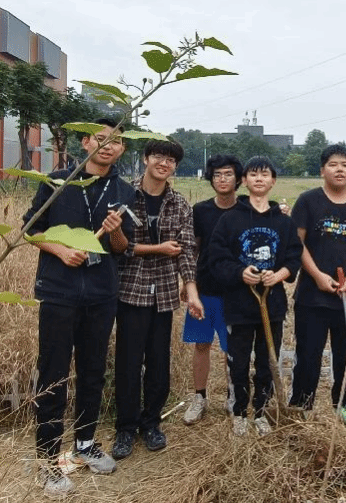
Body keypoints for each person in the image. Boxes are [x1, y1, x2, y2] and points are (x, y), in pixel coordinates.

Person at [22, 118, 135, 497]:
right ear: (85, 142)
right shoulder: (57, 181)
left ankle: (85, 444)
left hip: (102, 294)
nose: (108, 146)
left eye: (115, 141)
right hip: (58, 291)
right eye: (100, 139)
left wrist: (115, 230)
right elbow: (30, 229)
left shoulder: (124, 190)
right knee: (53, 373)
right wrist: (61, 250)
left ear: (122, 148)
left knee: (93, 371)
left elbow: (122, 248)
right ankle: (47, 459)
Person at [111, 139, 203, 460]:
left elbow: (186, 251)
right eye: (159, 157)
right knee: (128, 362)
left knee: (159, 362)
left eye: (171, 160)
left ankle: (151, 423)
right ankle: (125, 427)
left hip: (163, 293)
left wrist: (191, 290)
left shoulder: (179, 204)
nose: (164, 164)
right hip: (131, 290)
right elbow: (118, 246)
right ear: (146, 159)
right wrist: (158, 249)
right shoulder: (125, 195)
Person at [208, 156, 302, 436]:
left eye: (264, 174)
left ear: (273, 181)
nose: (259, 179)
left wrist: (279, 275)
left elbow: (294, 257)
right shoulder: (229, 219)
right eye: (253, 174)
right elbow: (217, 258)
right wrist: (240, 273)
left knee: (267, 360)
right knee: (238, 360)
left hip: (272, 305)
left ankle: (261, 410)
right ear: (244, 181)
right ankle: (239, 411)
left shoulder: (283, 222)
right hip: (238, 305)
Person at [288, 145, 346, 429]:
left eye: (345, 165)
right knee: (308, 354)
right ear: (322, 170)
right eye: (334, 164)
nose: (340, 169)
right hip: (312, 296)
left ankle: (345, 404)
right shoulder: (308, 201)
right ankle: (302, 403)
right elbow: (297, 242)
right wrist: (316, 275)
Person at [182, 155, 244, 425]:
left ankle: (234, 397)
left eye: (228, 174)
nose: (222, 179)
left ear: (238, 179)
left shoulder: (246, 209)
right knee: (202, 344)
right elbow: (193, 249)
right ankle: (199, 397)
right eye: (217, 174)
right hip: (205, 287)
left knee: (234, 347)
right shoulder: (201, 210)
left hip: (237, 290)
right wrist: (188, 284)